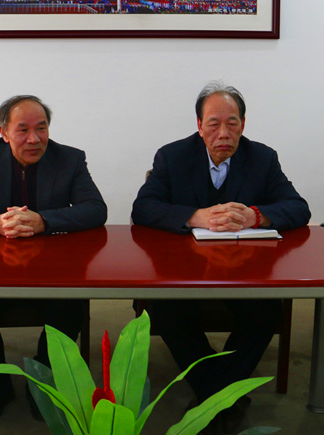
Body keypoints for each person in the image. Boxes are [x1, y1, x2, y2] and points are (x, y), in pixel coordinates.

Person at [131, 81, 310, 434]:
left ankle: (211, 395)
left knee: (267, 310)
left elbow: (298, 208)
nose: (223, 133)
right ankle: (226, 395)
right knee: (164, 309)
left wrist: (256, 216)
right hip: (184, 270)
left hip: (246, 270)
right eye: (213, 124)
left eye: (232, 123)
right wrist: (195, 216)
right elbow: (143, 208)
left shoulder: (262, 158)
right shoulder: (172, 156)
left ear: (243, 125)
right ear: (200, 126)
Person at [0, 95, 107, 423]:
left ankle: (41, 385)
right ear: (4, 132)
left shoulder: (70, 159)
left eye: (41, 128)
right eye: (23, 130)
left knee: (69, 310)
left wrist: (44, 221)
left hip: (53, 269)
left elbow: (95, 209)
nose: (34, 139)